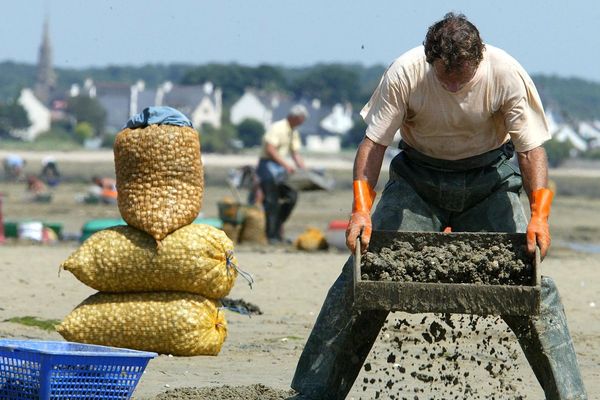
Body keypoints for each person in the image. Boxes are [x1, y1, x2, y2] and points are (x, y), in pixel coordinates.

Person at [288, 13, 586, 400]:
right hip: (418, 182)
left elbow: (530, 151)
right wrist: (360, 211)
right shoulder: (405, 72)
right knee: (366, 274)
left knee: (528, 281)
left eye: (461, 74)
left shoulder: (505, 73)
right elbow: (374, 144)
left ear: (478, 59)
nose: (451, 83)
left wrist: (539, 217)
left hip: (489, 182)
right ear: (430, 59)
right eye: (444, 74)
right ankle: (313, 393)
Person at [256, 105, 308, 244]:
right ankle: (271, 236)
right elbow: (270, 149)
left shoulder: (293, 132)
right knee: (271, 201)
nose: (301, 122)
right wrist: (286, 165)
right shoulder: (277, 127)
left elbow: (295, 153)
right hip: (267, 167)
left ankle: (277, 228)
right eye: (300, 119)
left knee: (292, 196)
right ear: (294, 117)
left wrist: (304, 170)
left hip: (280, 169)